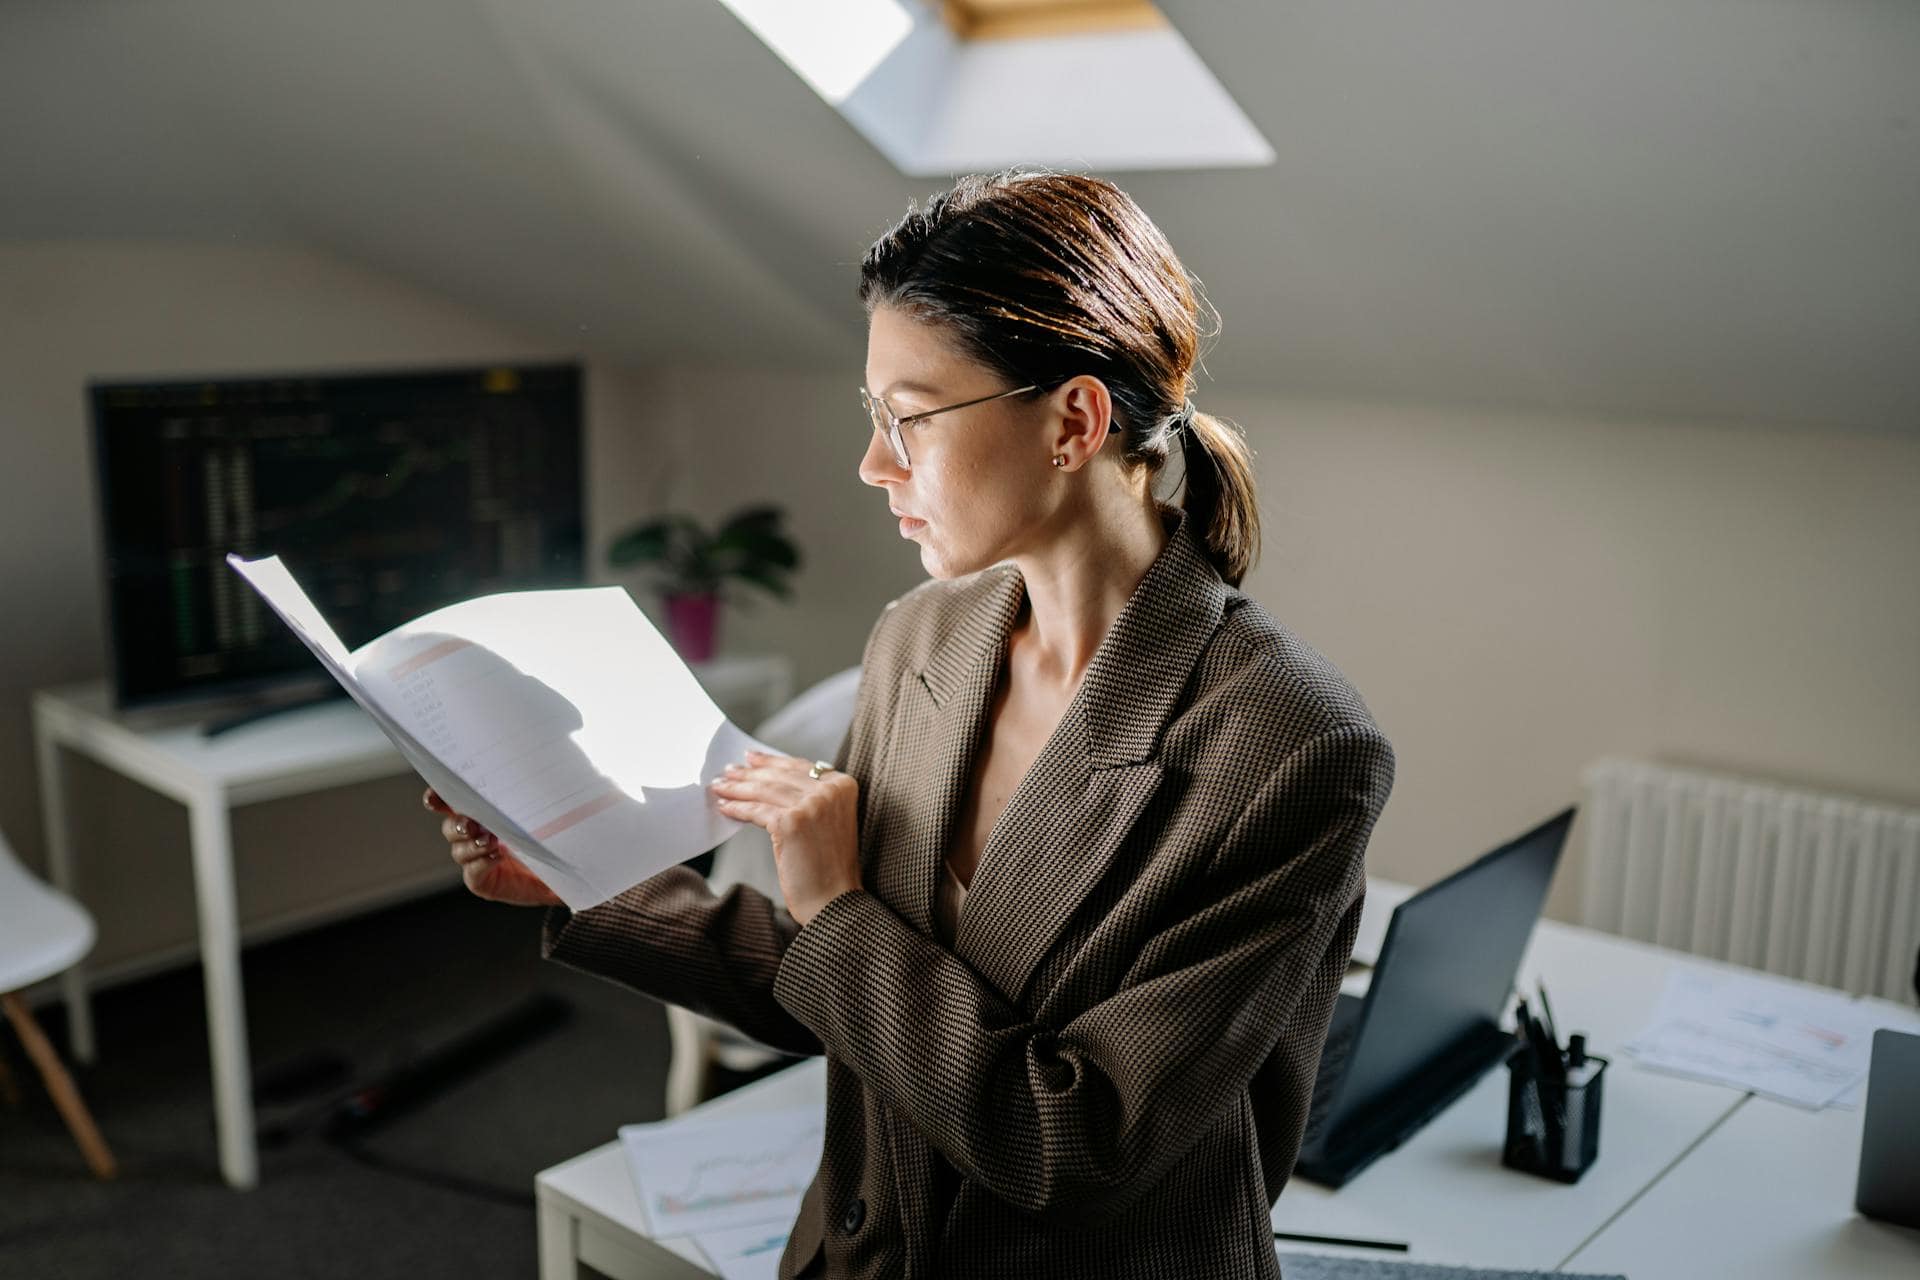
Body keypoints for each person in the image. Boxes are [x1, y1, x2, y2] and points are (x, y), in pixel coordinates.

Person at [427, 170, 1395, 1279]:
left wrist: (836, 899)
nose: (874, 464)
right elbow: (834, 982)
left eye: (912, 418)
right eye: (873, 416)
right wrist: (580, 874)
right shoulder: (919, 639)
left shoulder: (1292, 744)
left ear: (1073, 420)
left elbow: (1071, 1139)